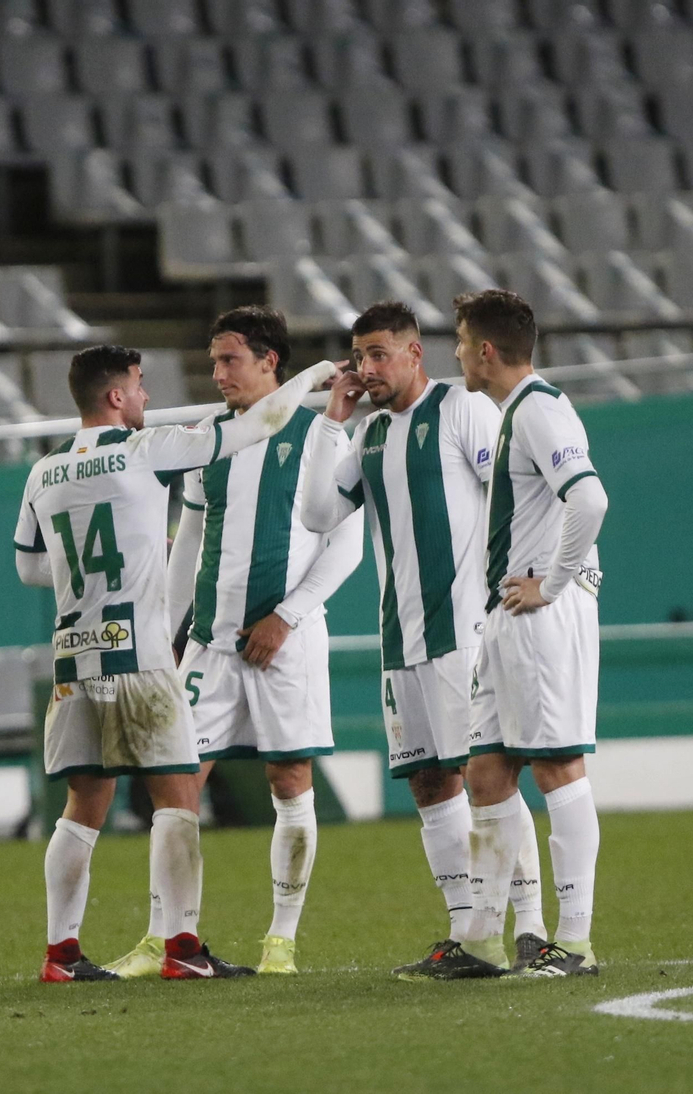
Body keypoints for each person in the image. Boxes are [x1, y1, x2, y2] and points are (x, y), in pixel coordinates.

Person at [15, 344, 340, 983]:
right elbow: (257, 425)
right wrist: (317, 377)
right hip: (138, 653)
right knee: (177, 797)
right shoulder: (144, 449)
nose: (145, 398)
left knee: (82, 804)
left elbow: (29, 567)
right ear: (114, 396)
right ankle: (183, 950)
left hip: (73, 658)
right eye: (137, 387)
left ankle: (62, 955)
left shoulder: (43, 470)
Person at [106, 308, 363, 979]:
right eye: (215, 361)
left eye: (230, 361)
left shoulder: (321, 434)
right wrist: (166, 634)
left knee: (289, 778)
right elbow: (189, 540)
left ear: (270, 362)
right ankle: (170, 940)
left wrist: (287, 615)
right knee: (177, 785)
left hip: (289, 641)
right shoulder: (205, 441)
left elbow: (349, 542)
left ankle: (281, 939)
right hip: (212, 646)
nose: (217, 374)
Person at [300, 301, 547, 981]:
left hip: (462, 635)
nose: (368, 369)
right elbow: (318, 512)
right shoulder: (370, 434)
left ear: (416, 354)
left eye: (381, 354)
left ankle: (530, 929)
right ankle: (467, 933)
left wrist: (519, 589)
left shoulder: (460, 410)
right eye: (360, 357)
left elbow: (514, 492)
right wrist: (333, 419)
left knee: (487, 777)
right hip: (400, 639)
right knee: (430, 783)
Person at [450, 289, 608, 978]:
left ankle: (572, 942)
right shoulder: (516, 412)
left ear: (486, 350)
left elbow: (590, 498)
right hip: (508, 616)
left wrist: (556, 581)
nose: (454, 353)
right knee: (484, 770)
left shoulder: (540, 409)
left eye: (459, 341)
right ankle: (483, 942)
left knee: (557, 767)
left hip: (539, 612)